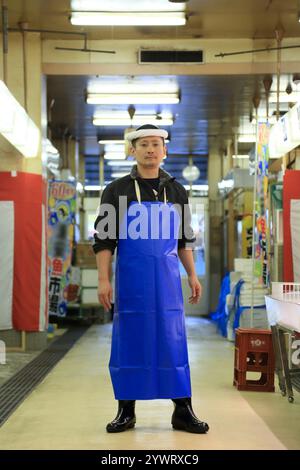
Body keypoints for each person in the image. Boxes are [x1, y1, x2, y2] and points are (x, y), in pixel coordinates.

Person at [92, 124, 209, 434]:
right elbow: (104, 241)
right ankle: (126, 411)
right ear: (134, 150)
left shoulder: (177, 190)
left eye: (156, 144)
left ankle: (183, 410)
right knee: (130, 342)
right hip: (131, 285)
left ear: (164, 150)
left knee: (173, 341)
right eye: (143, 144)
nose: (150, 149)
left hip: (168, 286)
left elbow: (184, 239)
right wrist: (103, 280)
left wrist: (193, 276)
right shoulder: (116, 190)